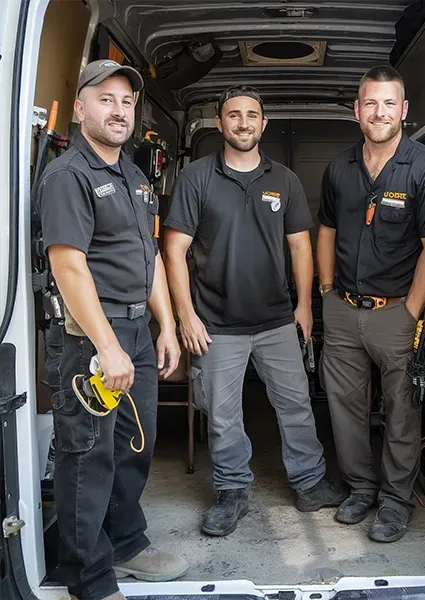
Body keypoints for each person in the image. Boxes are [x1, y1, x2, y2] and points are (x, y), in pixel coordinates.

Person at [163, 84, 348, 538]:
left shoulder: (283, 179)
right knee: (223, 415)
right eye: (233, 115)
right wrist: (185, 316)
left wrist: (304, 306)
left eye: (251, 115)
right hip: (215, 324)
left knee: (297, 405)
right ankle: (231, 492)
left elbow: (300, 246)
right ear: (220, 123)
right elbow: (174, 249)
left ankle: (309, 483)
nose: (243, 122)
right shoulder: (197, 178)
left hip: (275, 320)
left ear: (263, 124)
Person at [36, 59, 189, 600]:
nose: (119, 110)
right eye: (105, 99)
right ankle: (90, 577)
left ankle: (125, 542)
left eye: (126, 101)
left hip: (136, 333)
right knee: (87, 457)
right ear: (79, 109)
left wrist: (165, 326)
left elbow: (147, 259)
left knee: (133, 445)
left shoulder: (133, 175)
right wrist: (107, 346)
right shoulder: (67, 174)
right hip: (89, 339)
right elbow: (69, 265)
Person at [316, 65, 425, 542]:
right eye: (370, 103)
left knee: (401, 408)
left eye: (389, 103)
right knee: (344, 406)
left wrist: (412, 309)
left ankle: (395, 501)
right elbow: (326, 230)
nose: (379, 112)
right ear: (357, 110)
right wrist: (326, 290)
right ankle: (360, 489)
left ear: (404, 110)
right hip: (343, 309)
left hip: (397, 311)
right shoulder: (339, 168)